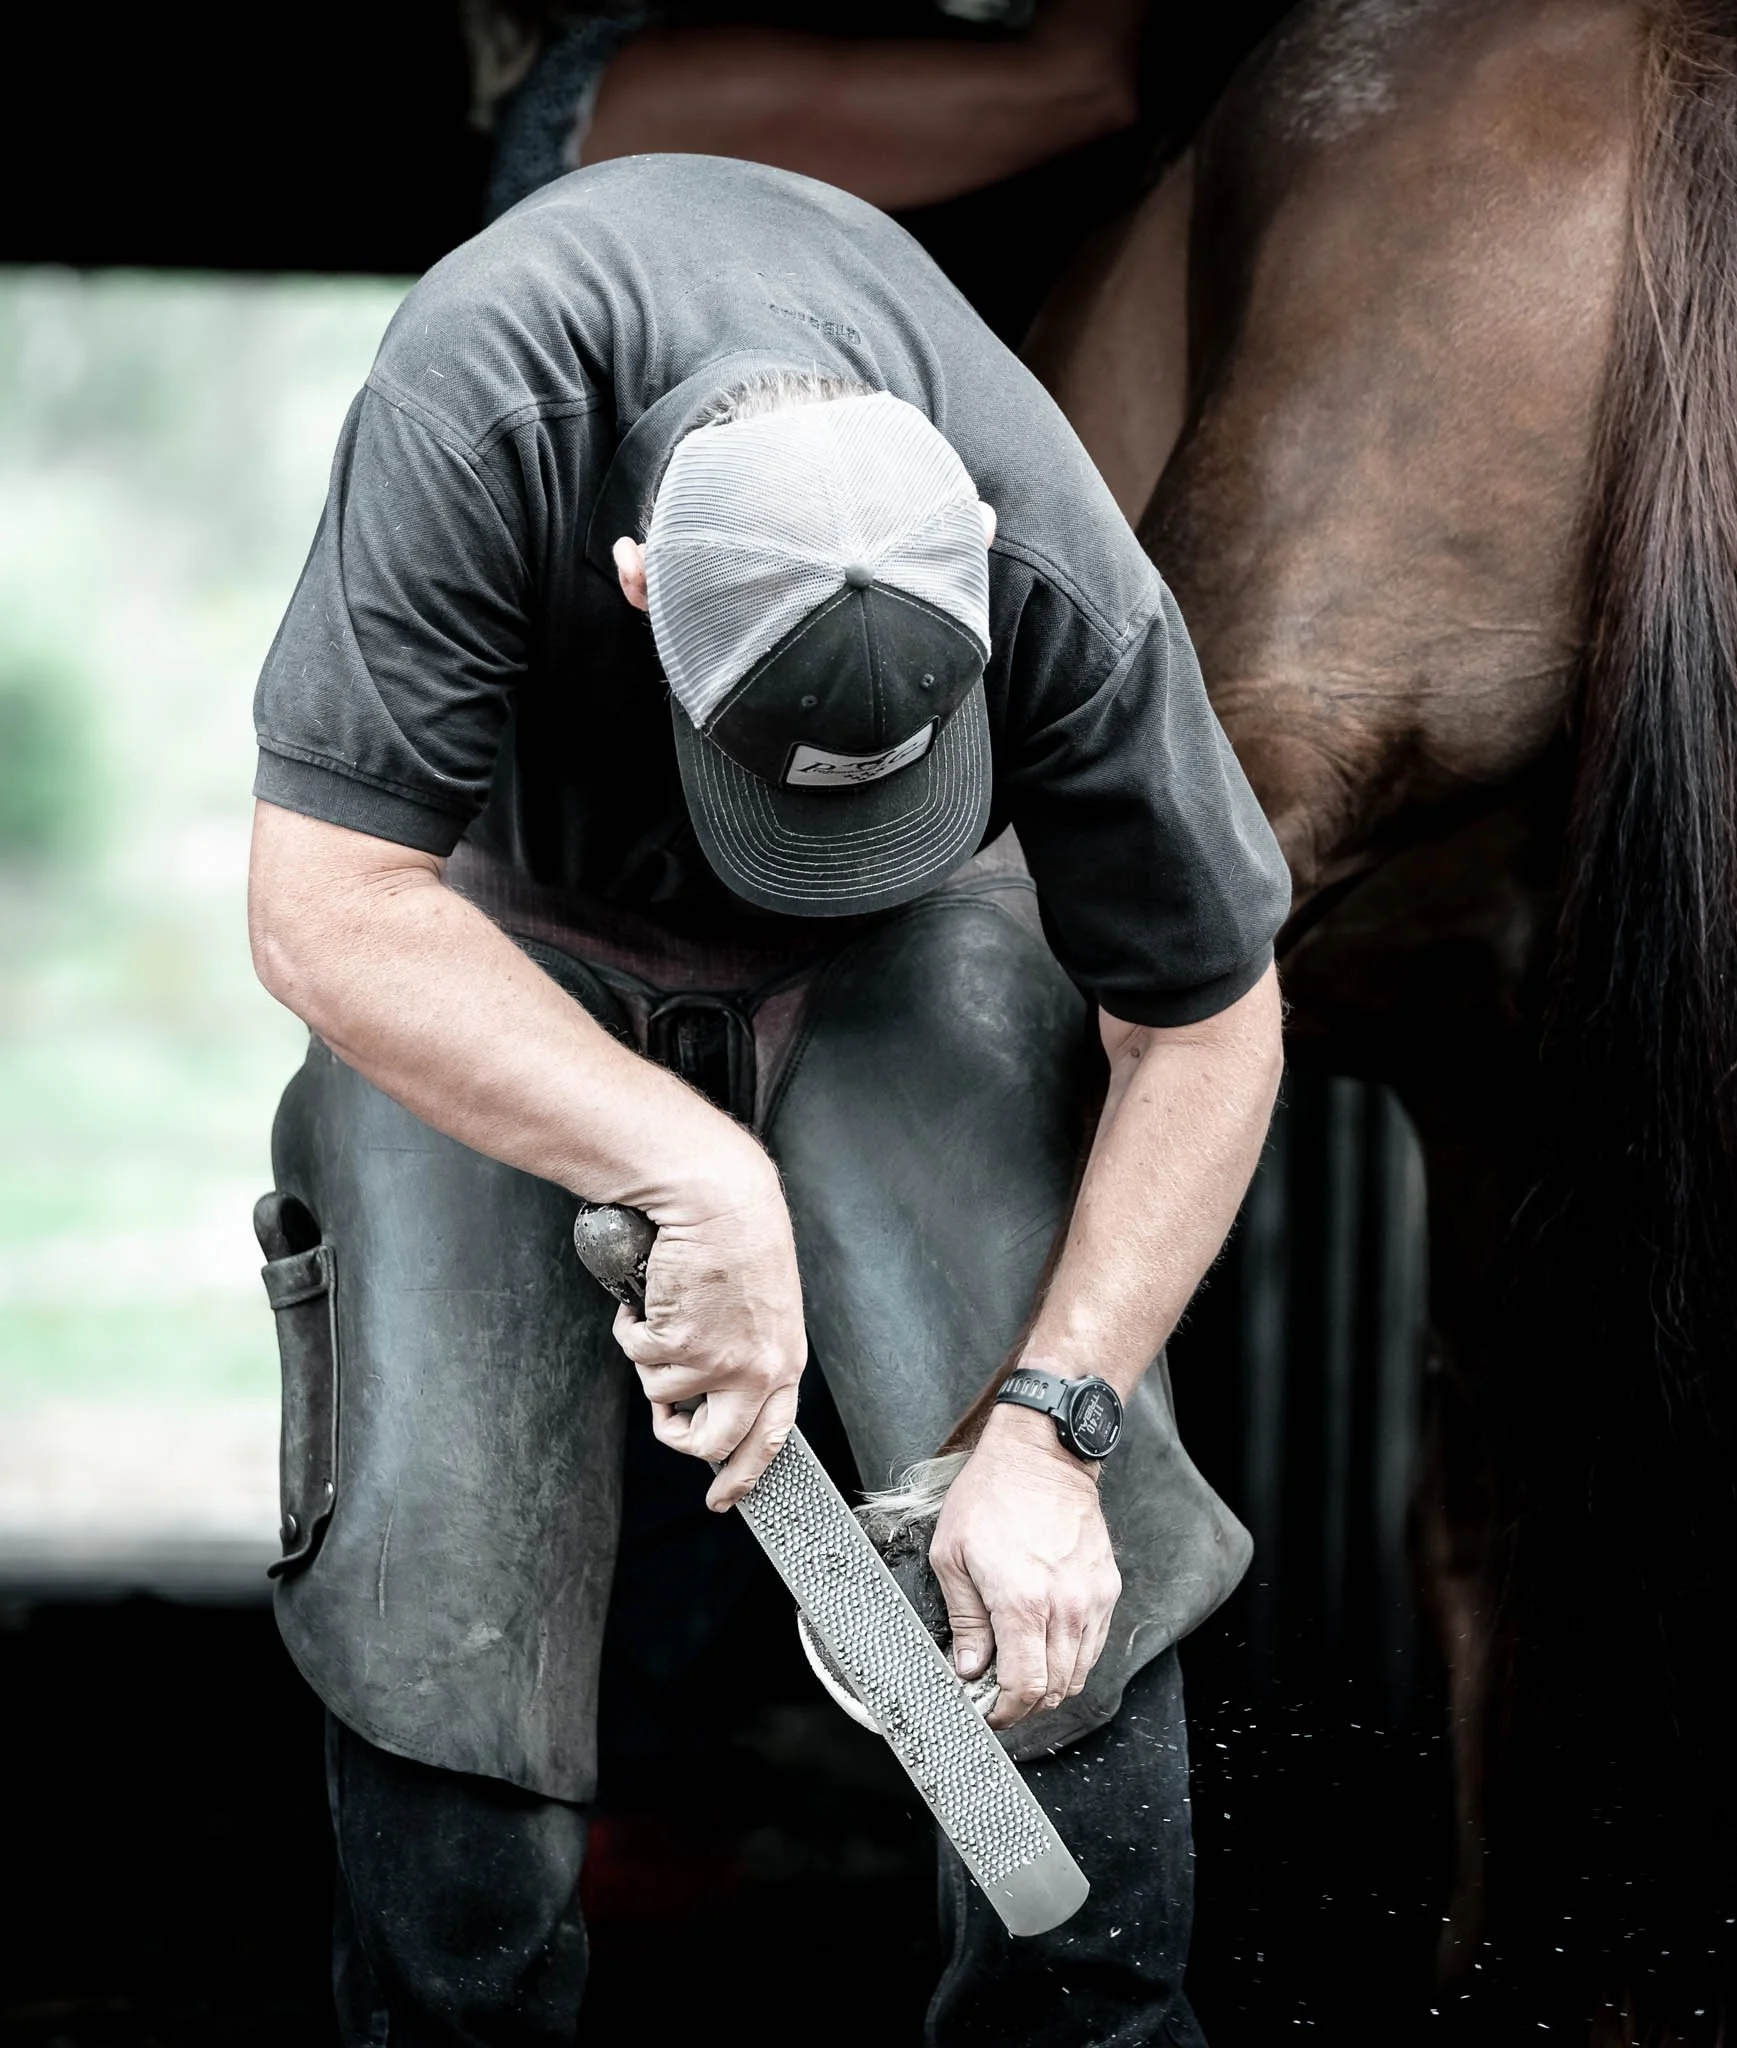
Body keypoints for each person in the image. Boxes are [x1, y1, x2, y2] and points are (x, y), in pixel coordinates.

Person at [246, 151, 1287, 2046]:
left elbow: (1212, 1019)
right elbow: (322, 908)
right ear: (637, 585)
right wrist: (698, 1172)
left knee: (1066, 1591)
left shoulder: (1048, 547)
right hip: (496, 912)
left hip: (911, 938)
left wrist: (1053, 1425)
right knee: (444, 1606)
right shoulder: (481, 409)